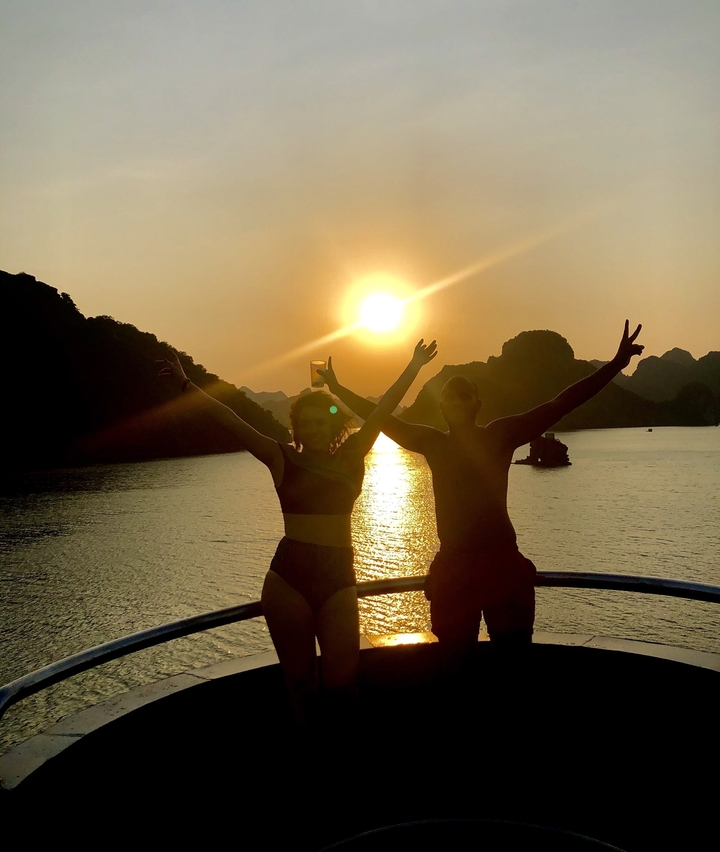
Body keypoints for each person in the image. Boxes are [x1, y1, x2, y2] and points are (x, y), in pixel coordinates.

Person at [321, 322, 644, 664]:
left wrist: (615, 365)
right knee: (452, 661)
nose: (457, 400)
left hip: (502, 562)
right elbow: (381, 417)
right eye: (450, 395)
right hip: (453, 567)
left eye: (465, 395)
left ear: (477, 404)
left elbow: (561, 403)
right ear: (442, 406)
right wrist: (338, 389)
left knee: (513, 658)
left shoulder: (499, 436)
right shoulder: (434, 443)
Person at [158, 339, 437, 726]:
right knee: (301, 684)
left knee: (344, 681)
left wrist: (414, 365)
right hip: (290, 575)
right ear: (297, 428)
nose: (314, 428)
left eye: (321, 421)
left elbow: (384, 407)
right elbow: (231, 420)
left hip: (339, 576)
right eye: (306, 423)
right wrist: (188, 386)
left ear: (335, 425)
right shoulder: (281, 457)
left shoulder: (353, 455)